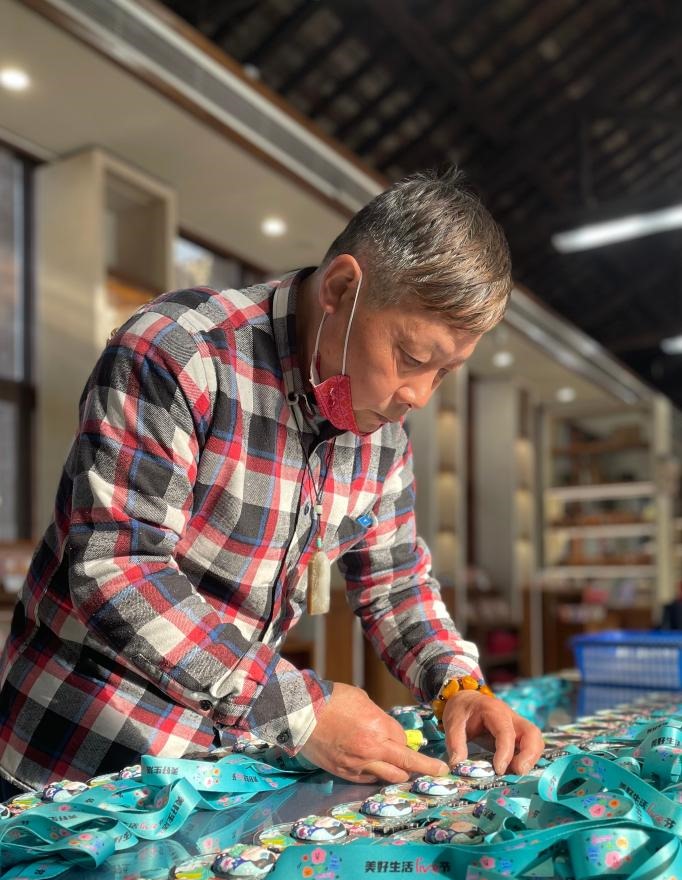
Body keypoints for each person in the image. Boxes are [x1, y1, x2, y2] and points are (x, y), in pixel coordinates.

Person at [0, 166, 544, 796]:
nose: (418, 395)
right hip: (73, 761)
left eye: (444, 372)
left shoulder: (384, 434)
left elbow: (395, 583)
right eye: (413, 358)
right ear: (341, 288)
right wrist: (301, 708)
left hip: (218, 771)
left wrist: (458, 685)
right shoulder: (182, 351)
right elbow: (119, 566)